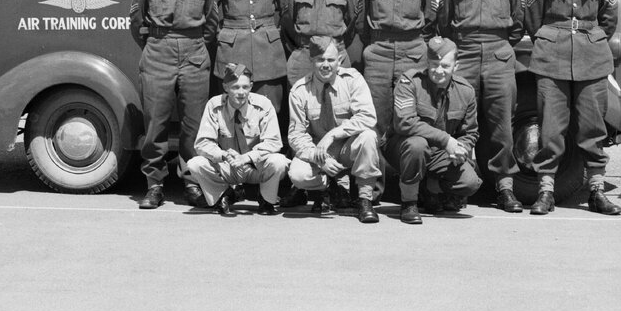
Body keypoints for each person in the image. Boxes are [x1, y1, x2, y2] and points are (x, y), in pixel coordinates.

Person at [523, 0, 621, 216]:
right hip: (552, 58)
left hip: (590, 59)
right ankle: (545, 192)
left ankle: (596, 191)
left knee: (592, 128)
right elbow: (531, 18)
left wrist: (592, 39)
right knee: (551, 128)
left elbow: (608, 17)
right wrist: (553, 37)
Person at [130, 0, 219, 210]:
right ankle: (154, 185)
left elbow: (212, 24)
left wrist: (193, 46)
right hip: (158, 51)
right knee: (155, 123)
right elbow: (136, 22)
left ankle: (192, 182)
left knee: (194, 125)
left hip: (194, 52)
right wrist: (157, 44)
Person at [436, 0, 525, 213]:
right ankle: (458, 185)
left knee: (502, 124)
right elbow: (444, 23)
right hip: (465, 54)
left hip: (500, 55)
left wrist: (499, 46)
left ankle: (504, 187)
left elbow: (518, 24)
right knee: (458, 121)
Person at [385, 36, 482, 224]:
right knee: (418, 145)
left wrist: (460, 148)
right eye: (434, 64)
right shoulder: (410, 82)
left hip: (438, 153)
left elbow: (470, 132)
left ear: (456, 66)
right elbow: (405, 123)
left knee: (470, 183)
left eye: (445, 66)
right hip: (401, 146)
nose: (438, 71)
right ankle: (409, 203)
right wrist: (447, 140)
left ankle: (430, 188)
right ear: (427, 63)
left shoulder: (466, 91)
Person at [287, 35, 382, 224]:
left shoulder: (353, 80)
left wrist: (333, 134)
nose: (326, 65)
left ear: (339, 60)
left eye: (330, 60)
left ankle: (365, 199)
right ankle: (326, 189)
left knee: (369, 136)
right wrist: (318, 158)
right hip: (320, 151)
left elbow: (368, 117)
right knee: (297, 175)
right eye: (320, 60)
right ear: (311, 61)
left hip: (348, 147)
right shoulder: (299, 91)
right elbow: (296, 135)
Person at [358, 0, 438, 139]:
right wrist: (376, 43)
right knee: (376, 114)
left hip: (412, 54)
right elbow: (361, 20)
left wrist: (414, 42)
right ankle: (380, 171)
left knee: (410, 112)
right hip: (378, 54)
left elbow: (431, 18)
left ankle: (407, 170)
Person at [187, 63, 290, 217]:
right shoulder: (214, 106)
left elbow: (274, 142)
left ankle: (266, 199)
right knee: (195, 164)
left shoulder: (263, 105)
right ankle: (224, 195)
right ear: (226, 87)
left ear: (251, 86)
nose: (241, 92)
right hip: (229, 165)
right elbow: (202, 143)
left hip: (256, 166)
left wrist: (247, 157)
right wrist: (222, 155)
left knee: (279, 161)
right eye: (235, 87)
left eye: (245, 87)